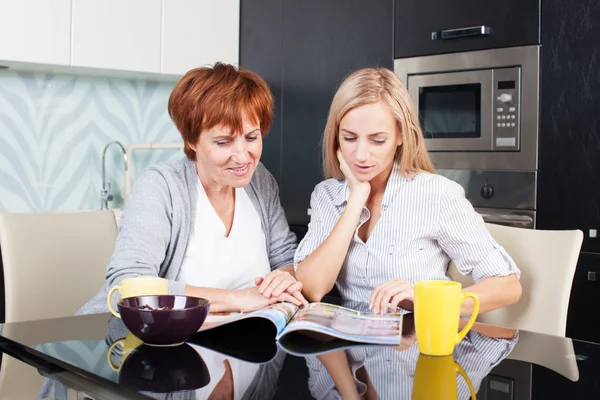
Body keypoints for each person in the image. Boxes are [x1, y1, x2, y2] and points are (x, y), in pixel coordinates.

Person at [81, 62, 307, 316]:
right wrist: (235, 299)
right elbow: (127, 286)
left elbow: (285, 258)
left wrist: (285, 279)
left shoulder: (260, 180)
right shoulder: (160, 186)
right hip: (138, 345)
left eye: (252, 137)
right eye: (223, 142)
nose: (243, 157)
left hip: (237, 344)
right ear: (191, 140)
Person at [294, 67, 521, 316]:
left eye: (377, 140)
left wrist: (428, 300)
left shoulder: (437, 194)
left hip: (417, 347)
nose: (360, 155)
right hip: (351, 347)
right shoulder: (327, 195)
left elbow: (507, 286)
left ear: (401, 135)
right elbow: (312, 289)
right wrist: (357, 198)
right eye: (349, 138)